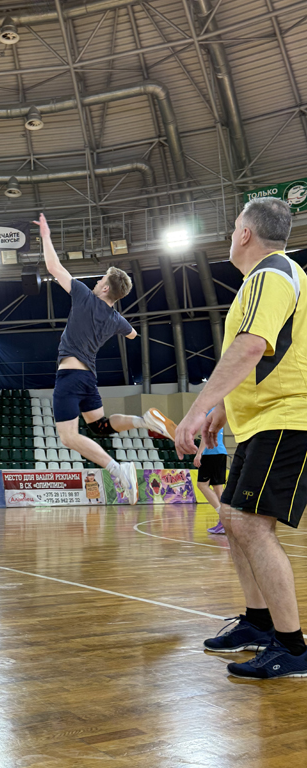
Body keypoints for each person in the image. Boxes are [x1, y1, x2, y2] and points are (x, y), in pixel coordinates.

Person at [175, 196, 307, 679]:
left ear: (246, 233)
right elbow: (268, 354)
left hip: (287, 418)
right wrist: (223, 410)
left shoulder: (272, 274)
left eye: (234, 228)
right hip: (261, 420)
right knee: (233, 518)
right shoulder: (268, 278)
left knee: (251, 525)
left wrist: (197, 410)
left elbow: (251, 347)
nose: (232, 236)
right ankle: (257, 622)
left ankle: (292, 647)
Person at [34, 213, 176, 506]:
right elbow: (133, 334)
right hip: (88, 378)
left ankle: (116, 469)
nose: (97, 282)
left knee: (68, 438)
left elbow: (53, 267)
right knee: (100, 426)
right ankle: (143, 421)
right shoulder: (115, 319)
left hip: (70, 376)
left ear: (105, 288)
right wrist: (119, 326)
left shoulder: (84, 297)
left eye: (100, 280)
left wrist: (46, 236)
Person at [193, 408, 228, 534]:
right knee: (218, 489)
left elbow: (206, 435)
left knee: (202, 485)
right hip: (220, 452)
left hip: (211, 453)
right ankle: (224, 522)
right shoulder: (217, 411)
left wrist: (199, 453)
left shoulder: (209, 412)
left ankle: (223, 516)